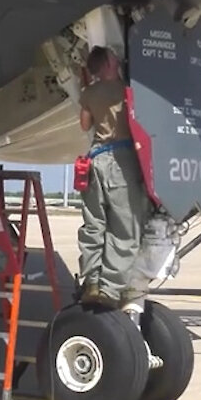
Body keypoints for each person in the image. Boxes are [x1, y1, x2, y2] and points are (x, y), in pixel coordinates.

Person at [74, 45, 152, 310]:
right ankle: (109, 290)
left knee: (94, 224)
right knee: (125, 228)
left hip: (95, 159)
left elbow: (85, 125)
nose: (117, 59)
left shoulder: (88, 93)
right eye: (112, 57)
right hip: (120, 160)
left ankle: (92, 282)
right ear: (107, 65)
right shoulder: (125, 89)